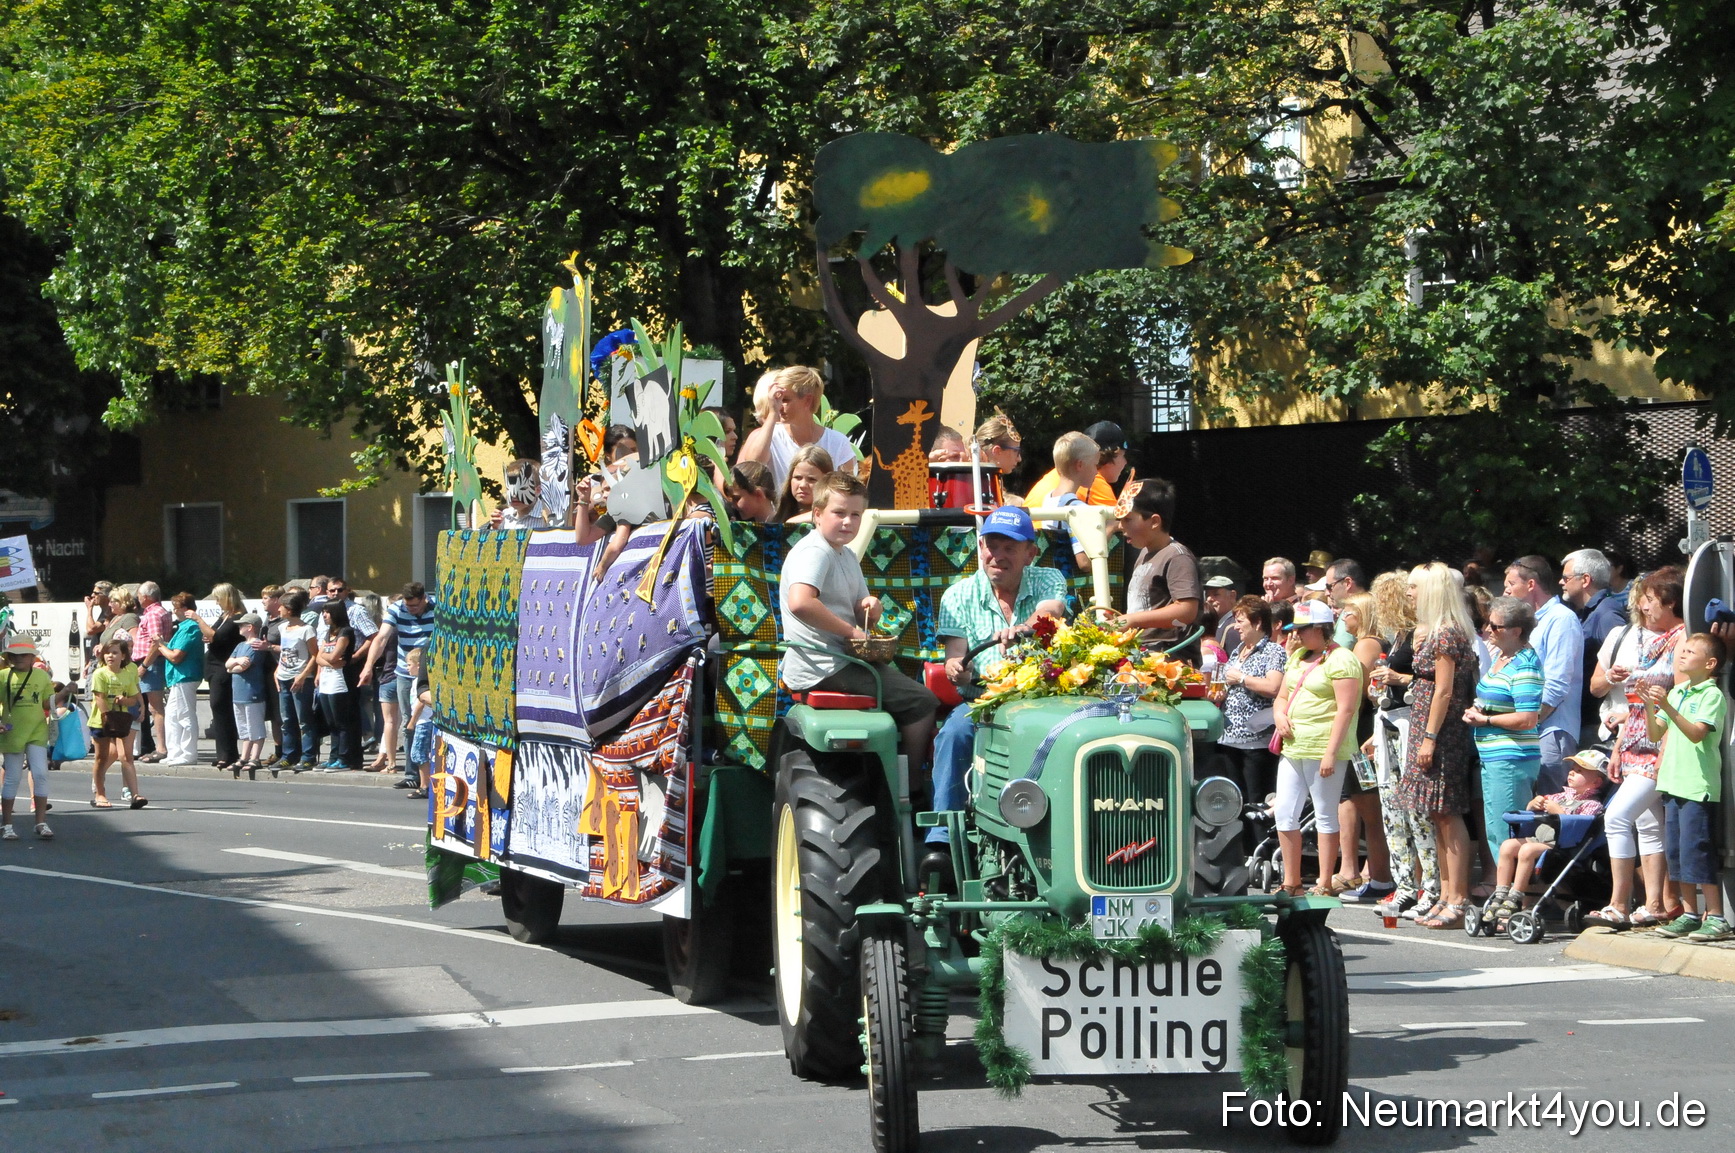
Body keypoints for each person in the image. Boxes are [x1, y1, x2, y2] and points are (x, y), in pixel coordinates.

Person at [779, 470, 937, 809]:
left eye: (855, 514)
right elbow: (801, 602)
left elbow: (859, 612)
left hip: (842, 659)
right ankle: (908, 792)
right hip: (825, 664)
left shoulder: (845, 554)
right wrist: (852, 632)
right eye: (839, 513)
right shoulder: (815, 552)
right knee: (922, 702)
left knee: (910, 694)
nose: (848, 522)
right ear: (817, 514)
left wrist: (870, 608)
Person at [928, 505, 1068, 881]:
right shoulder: (958, 595)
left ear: (1030, 554)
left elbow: (1051, 611)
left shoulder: (1048, 578)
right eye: (992, 545)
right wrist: (957, 668)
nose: (998, 556)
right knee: (955, 733)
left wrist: (1024, 627)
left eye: (1010, 547)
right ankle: (942, 837)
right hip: (985, 701)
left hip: (1043, 701)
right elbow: (956, 661)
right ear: (980, 548)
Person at [1589, 566, 1689, 928]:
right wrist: (1618, 746)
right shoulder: (1652, 639)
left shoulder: (1681, 640)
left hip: (1657, 745)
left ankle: (1619, 903)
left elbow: (1679, 699)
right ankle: (1654, 903)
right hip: (1633, 740)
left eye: (1650, 600)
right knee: (1648, 823)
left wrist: (1665, 751)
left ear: (1670, 602)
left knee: (1616, 816)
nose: (1643, 607)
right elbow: (1635, 701)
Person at [1398, 562, 1480, 929]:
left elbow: (1445, 690)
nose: (1410, 593)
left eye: (1415, 587)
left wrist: (1429, 738)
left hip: (1441, 731)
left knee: (1448, 812)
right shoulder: (1436, 632)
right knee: (1435, 814)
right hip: (1426, 726)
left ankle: (1458, 898)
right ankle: (1446, 894)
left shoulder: (1447, 634)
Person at [1270, 601, 1363, 895]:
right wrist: (1279, 715)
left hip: (1323, 746)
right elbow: (1281, 696)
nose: (1295, 634)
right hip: (1294, 746)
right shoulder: (1297, 655)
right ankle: (1292, 882)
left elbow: (1346, 710)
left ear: (1320, 629)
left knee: (1324, 814)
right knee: (1284, 812)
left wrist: (1330, 753)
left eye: (1300, 629)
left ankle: (1324, 882)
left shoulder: (1342, 659)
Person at [1644, 632, 1731, 941]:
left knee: (1699, 851)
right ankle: (1690, 913)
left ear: (1709, 664)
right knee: (1678, 854)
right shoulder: (1678, 692)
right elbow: (1656, 734)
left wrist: (1666, 705)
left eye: (1690, 651)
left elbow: (1696, 734)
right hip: (1673, 783)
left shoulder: (1711, 695)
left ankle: (1717, 916)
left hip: (1697, 786)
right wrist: (1648, 705)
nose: (1682, 655)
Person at [1366, 570, 1441, 919]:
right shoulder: (1397, 637)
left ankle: (1430, 885)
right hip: (1389, 721)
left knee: (1416, 808)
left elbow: (1433, 682)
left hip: (1411, 723)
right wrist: (1379, 689)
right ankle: (1405, 884)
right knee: (1392, 807)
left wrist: (1398, 678)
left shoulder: (1422, 634)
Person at [1462, 596, 1544, 862]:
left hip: (1511, 758)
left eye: (1495, 626)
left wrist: (1486, 721)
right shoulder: (1502, 657)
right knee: (1496, 830)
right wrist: (1480, 711)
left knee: (1507, 833)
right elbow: (1495, 700)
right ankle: (1504, 889)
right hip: (1493, 756)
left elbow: (1527, 718)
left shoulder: (1525, 665)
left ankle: (1512, 892)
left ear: (1516, 631)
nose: (1488, 629)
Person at [1486, 749, 1609, 924]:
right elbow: (1537, 806)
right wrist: (1533, 804)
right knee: (1507, 845)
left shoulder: (1592, 804)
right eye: (1572, 768)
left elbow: (1578, 825)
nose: (1572, 772)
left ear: (1596, 782)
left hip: (1562, 845)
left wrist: (1557, 811)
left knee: (1527, 850)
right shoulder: (1560, 796)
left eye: (1580, 771)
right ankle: (1501, 893)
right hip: (1541, 839)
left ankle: (1515, 897)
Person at [1330, 591, 1393, 902]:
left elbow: (1356, 687)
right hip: (1360, 732)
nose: (1344, 617)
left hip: (1363, 733)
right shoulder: (1361, 642)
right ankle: (1376, 876)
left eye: (1350, 612)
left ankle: (1381, 878)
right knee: (1362, 801)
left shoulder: (1368, 643)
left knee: (1370, 805)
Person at [1504, 555, 1583, 793]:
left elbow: (1557, 685)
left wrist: (1527, 722)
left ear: (1531, 585)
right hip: (1528, 730)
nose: (1505, 591)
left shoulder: (1561, 619)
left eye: (1510, 584)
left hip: (1551, 731)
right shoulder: (1532, 622)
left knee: (1551, 810)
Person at [1112, 479, 1201, 659]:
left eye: (1128, 519)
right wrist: (1122, 618)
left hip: (1170, 658)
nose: (1121, 526)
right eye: (1120, 520)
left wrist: (1132, 620)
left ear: (1154, 521)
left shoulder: (1177, 556)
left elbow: (1187, 610)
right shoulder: (1144, 553)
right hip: (1144, 653)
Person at [1213, 595, 1287, 807]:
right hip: (1229, 738)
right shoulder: (1238, 651)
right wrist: (1221, 693)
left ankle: (1260, 841)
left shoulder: (1273, 651)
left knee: (1256, 801)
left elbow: (1274, 687)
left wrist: (1242, 679)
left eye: (1240, 621)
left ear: (1257, 622)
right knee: (1235, 801)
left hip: (1255, 743)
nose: (1235, 627)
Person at [737, 365, 858, 490]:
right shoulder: (770, 435)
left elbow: (849, 491)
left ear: (807, 401)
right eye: (776, 399)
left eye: (785, 400)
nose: (779, 406)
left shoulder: (837, 443)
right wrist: (772, 414)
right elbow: (753, 465)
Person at [368, 582, 438, 786]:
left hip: (431, 672)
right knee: (410, 722)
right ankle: (412, 775)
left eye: (415, 606)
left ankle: (431, 774)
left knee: (431, 721)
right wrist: (368, 666)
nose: (411, 610)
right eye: (408, 606)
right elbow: (381, 638)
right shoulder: (396, 608)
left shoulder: (437, 608)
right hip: (405, 672)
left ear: (424, 598)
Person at [0, 638, 56, 839]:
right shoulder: (3, 676)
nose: (18, 658)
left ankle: (41, 822)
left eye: (24, 654)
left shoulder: (41, 676)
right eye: (14, 655)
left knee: (40, 774)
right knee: (13, 777)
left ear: (33, 657)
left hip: (37, 731)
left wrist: (65, 692)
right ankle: (6, 825)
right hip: (12, 732)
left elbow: (47, 703)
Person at [89, 639, 146, 810]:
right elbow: (99, 698)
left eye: (114, 653)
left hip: (121, 721)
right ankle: (100, 793)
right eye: (107, 652)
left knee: (126, 756)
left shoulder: (128, 674)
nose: (110, 656)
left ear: (123, 656)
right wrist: (108, 717)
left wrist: (127, 701)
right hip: (102, 721)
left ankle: (135, 795)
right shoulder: (100, 673)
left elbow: (132, 698)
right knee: (101, 757)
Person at [1033, 431, 1099, 569]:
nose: (1096, 472)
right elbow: (1084, 562)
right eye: (1095, 465)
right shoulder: (1077, 508)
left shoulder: (1049, 498)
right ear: (1080, 465)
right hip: (1070, 584)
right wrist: (1112, 528)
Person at [199, 583, 247, 770]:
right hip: (213, 664)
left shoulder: (237, 617)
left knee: (220, 706)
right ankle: (224, 753)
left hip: (224, 666)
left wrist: (197, 619)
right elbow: (213, 635)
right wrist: (208, 636)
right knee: (218, 710)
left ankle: (228, 753)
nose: (217, 602)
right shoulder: (223, 616)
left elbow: (217, 637)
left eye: (219, 598)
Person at [154, 592, 205, 766]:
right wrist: (163, 645)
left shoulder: (191, 626)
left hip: (186, 676)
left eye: (176, 608)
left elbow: (176, 656)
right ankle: (175, 752)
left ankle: (189, 753)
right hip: (178, 677)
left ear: (184, 609)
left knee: (185, 715)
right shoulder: (184, 626)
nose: (174, 612)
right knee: (172, 716)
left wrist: (160, 645)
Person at [274, 588, 319, 771]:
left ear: (290, 609)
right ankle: (289, 755)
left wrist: (303, 675)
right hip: (284, 676)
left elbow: (315, 655)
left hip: (300, 679)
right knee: (287, 720)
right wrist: (277, 670)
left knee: (304, 720)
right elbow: (284, 652)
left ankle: (308, 756)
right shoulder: (282, 627)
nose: (279, 610)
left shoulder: (307, 630)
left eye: (281, 607)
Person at [314, 602, 360, 771]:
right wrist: (328, 660)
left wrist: (327, 658)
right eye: (323, 612)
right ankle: (333, 757)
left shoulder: (345, 631)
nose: (324, 615)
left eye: (327, 612)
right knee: (331, 722)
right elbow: (318, 658)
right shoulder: (328, 633)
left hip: (340, 682)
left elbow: (334, 656)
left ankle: (344, 758)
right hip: (326, 679)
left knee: (342, 722)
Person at [224, 613, 269, 777]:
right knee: (243, 727)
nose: (239, 627)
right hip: (239, 693)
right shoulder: (240, 645)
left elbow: (241, 667)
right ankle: (244, 756)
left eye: (242, 625)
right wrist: (234, 663)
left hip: (252, 692)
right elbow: (228, 664)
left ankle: (255, 757)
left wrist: (233, 666)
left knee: (254, 725)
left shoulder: (255, 645)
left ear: (250, 627)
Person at [131, 581, 171, 762]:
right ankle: (159, 747)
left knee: (155, 708)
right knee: (152, 707)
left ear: (146, 597)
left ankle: (162, 748)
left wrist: (145, 666)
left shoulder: (154, 614)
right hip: (153, 662)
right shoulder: (159, 611)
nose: (138, 598)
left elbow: (157, 642)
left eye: (139, 595)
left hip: (152, 663)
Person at [970, 413, 1024, 507]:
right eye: (1016, 451)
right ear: (997, 451)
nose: (1019, 458)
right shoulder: (972, 483)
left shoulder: (986, 481)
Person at [403, 646, 435, 800]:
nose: (407, 668)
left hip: (423, 722)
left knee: (419, 754)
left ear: (419, 665)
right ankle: (425, 784)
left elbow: (421, 703)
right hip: (423, 721)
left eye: (410, 664)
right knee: (420, 754)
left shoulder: (420, 683)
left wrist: (412, 722)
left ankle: (425, 786)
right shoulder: (416, 681)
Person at [775, 444, 834, 523]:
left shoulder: (836, 517)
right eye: (798, 478)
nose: (803, 485)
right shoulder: (778, 514)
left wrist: (792, 522)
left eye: (812, 479)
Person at [491, 458, 548, 530]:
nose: (514, 495)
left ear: (538, 490)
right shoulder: (504, 517)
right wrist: (495, 528)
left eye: (522, 489)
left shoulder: (545, 519)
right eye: (509, 489)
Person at [1203, 576, 1242, 655]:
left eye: (1216, 594)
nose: (1209, 599)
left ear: (1232, 595)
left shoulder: (1234, 628)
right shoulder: (1217, 625)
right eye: (1207, 595)